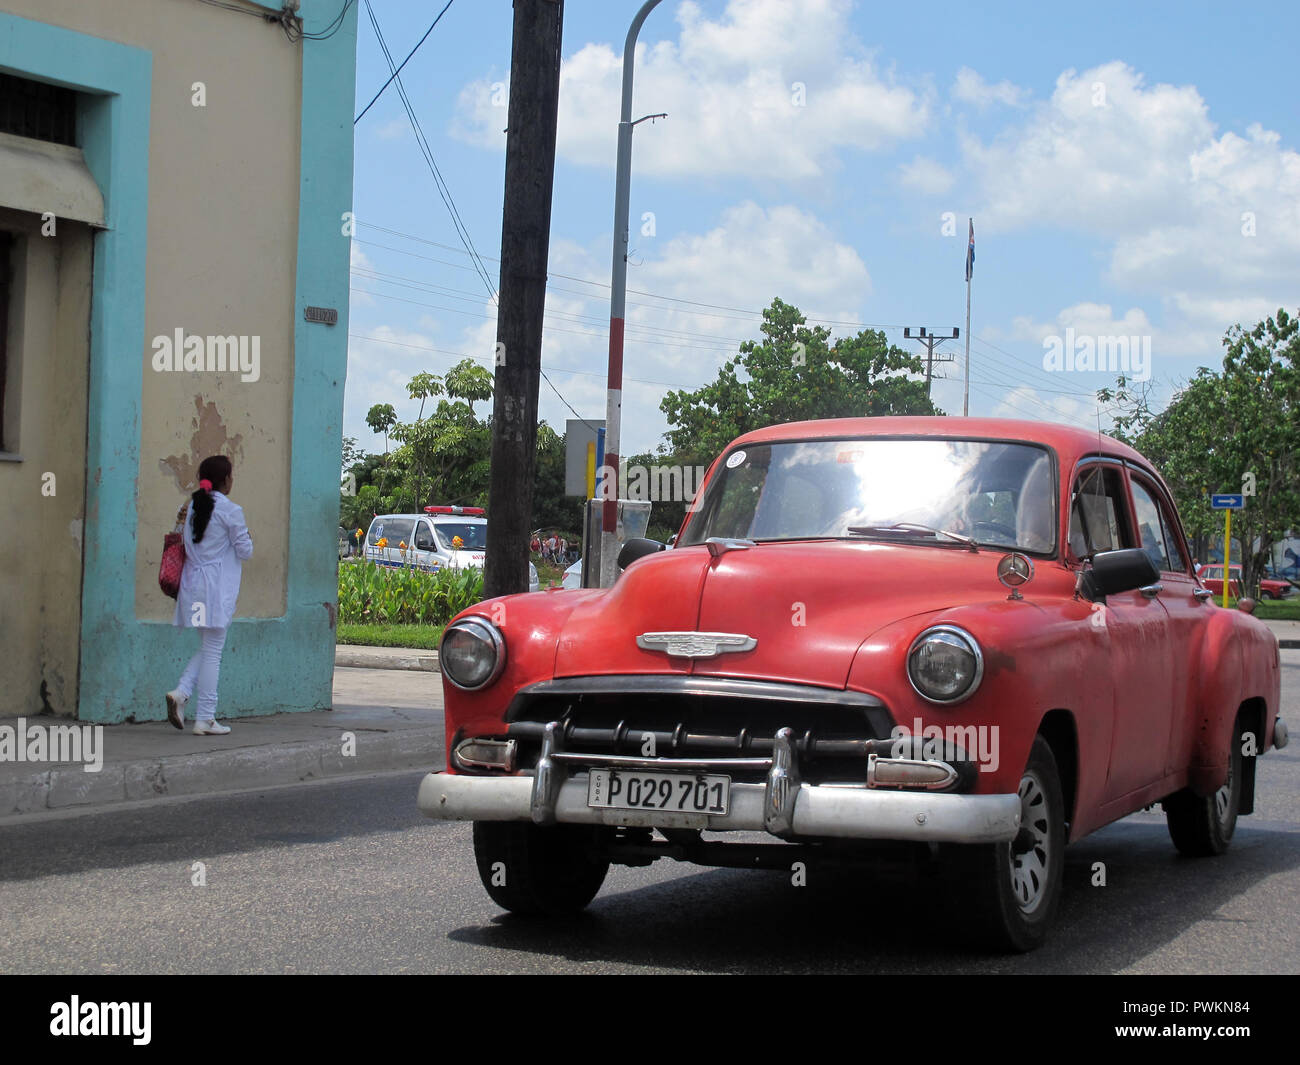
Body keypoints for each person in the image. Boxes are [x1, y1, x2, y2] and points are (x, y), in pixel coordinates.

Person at [164, 455, 253, 735]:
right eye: (231, 476)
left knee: (207, 647)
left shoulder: (190, 507)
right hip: (215, 590)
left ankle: (182, 693)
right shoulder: (230, 510)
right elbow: (246, 551)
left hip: (193, 587)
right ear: (225, 480)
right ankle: (205, 717)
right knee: (213, 651)